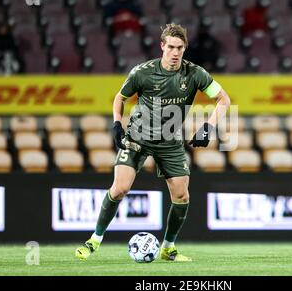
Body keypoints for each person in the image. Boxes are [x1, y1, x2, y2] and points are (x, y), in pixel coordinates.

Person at [75, 23, 231, 262]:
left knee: (182, 196)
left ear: (185, 48)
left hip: (170, 141)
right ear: (162, 46)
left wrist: (209, 126)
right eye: (171, 46)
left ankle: (168, 248)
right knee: (120, 189)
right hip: (138, 137)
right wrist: (117, 123)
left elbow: (223, 99)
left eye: (180, 47)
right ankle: (93, 241)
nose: (175, 52)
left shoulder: (195, 74)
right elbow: (121, 97)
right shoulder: (143, 72)